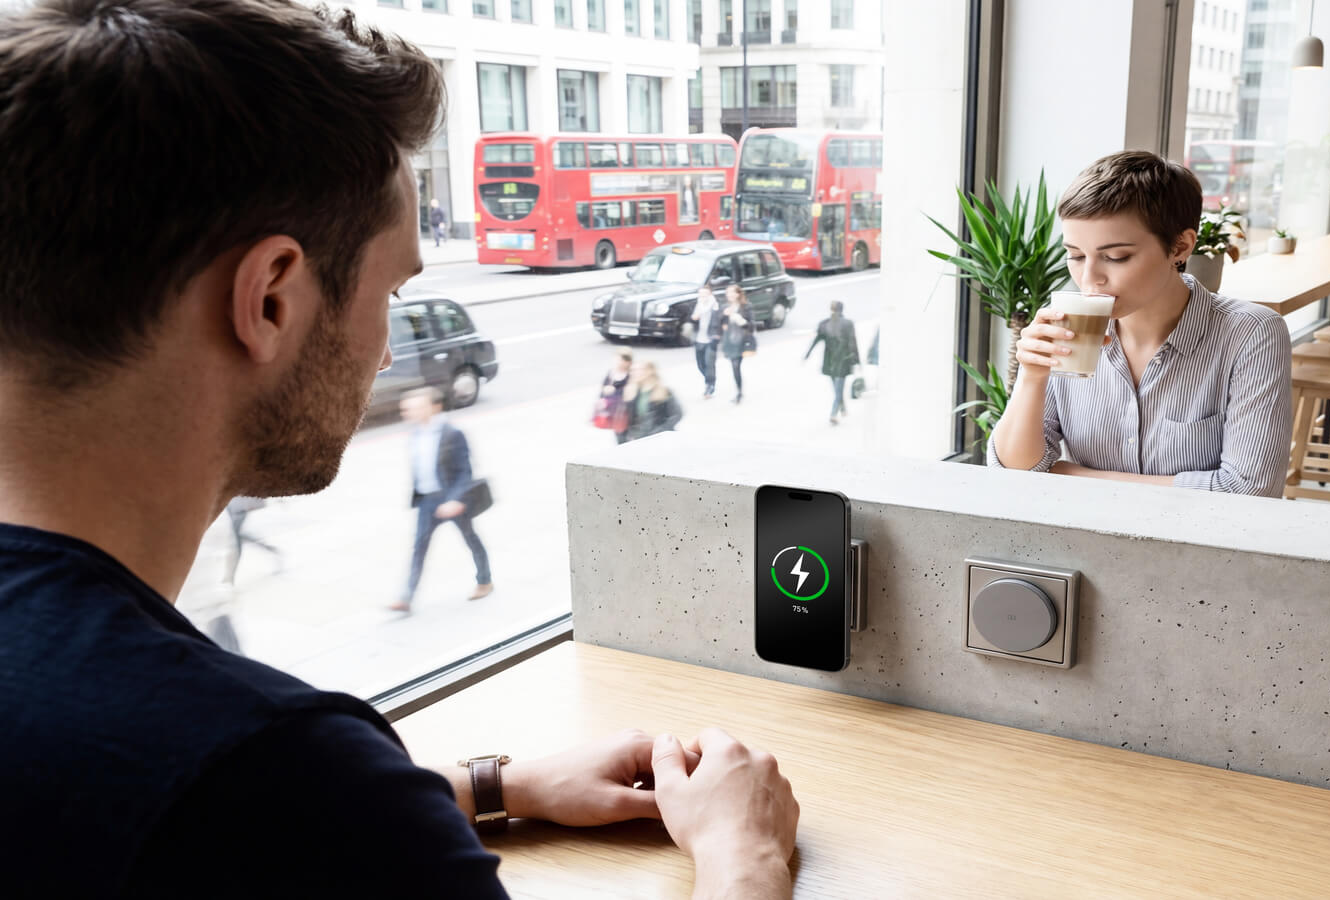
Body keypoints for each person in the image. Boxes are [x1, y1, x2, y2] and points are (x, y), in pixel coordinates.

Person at [0, 3, 799, 898]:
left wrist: (477, 791)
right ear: (269, 298)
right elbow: (259, 804)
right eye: (392, 287)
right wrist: (745, 852)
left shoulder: (245, 784)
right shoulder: (271, 768)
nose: (386, 350)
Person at [988, 150, 1293, 497]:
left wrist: (1063, 473)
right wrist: (1032, 375)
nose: (1090, 278)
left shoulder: (1251, 334)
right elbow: (1014, 471)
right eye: (1075, 255)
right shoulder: (1065, 327)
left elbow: (1249, 490)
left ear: (1180, 246)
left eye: (1116, 257)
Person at [389, 387, 493, 614]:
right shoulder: (415, 433)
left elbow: (465, 471)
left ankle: (485, 580)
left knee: (470, 539)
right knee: (419, 547)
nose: (408, 412)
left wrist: (455, 500)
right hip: (427, 501)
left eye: (416, 407)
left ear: (434, 407)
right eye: (407, 408)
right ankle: (406, 597)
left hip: (451, 501)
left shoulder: (452, 433)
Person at [805, 300, 861, 425]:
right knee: (839, 389)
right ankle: (834, 414)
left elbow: (816, 340)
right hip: (843, 360)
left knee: (837, 388)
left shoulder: (824, 324)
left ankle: (843, 409)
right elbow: (853, 342)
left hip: (829, 361)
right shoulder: (848, 324)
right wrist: (857, 361)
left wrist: (807, 354)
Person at [222, 495, 282, 586]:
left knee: (236, 541)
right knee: (239, 537)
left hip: (240, 508)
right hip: (233, 506)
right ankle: (271, 549)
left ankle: (229, 579)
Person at [620, 361, 684, 443]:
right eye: (632, 370)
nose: (633, 373)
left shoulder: (663, 391)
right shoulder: (632, 392)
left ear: (649, 371)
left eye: (638, 370)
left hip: (660, 440)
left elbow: (677, 414)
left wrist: (661, 432)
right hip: (638, 439)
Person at [721, 283, 757, 404]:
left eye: (732, 292)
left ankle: (739, 393)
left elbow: (751, 327)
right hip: (730, 341)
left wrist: (739, 319)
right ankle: (739, 392)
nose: (729, 295)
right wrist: (724, 316)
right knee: (734, 367)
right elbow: (720, 325)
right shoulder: (725, 307)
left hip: (741, 341)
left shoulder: (746, 307)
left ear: (738, 294)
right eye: (728, 292)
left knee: (736, 366)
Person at [690, 285, 724, 398]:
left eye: (705, 294)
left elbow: (720, 320)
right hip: (699, 338)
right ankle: (709, 380)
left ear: (710, 295)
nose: (702, 296)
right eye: (701, 294)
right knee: (700, 364)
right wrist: (695, 317)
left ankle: (710, 386)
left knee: (710, 363)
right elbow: (693, 319)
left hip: (711, 338)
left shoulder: (715, 305)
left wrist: (718, 335)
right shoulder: (698, 305)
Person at [598, 349, 633, 443]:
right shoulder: (612, 373)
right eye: (616, 360)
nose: (618, 363)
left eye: (620, 360)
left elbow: (632, 392)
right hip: (615, 411)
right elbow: (603, 390)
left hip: (628, 411)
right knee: (619, 435)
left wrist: (615, 391)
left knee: (629, 436)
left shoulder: (632, 374)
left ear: (628, 362)